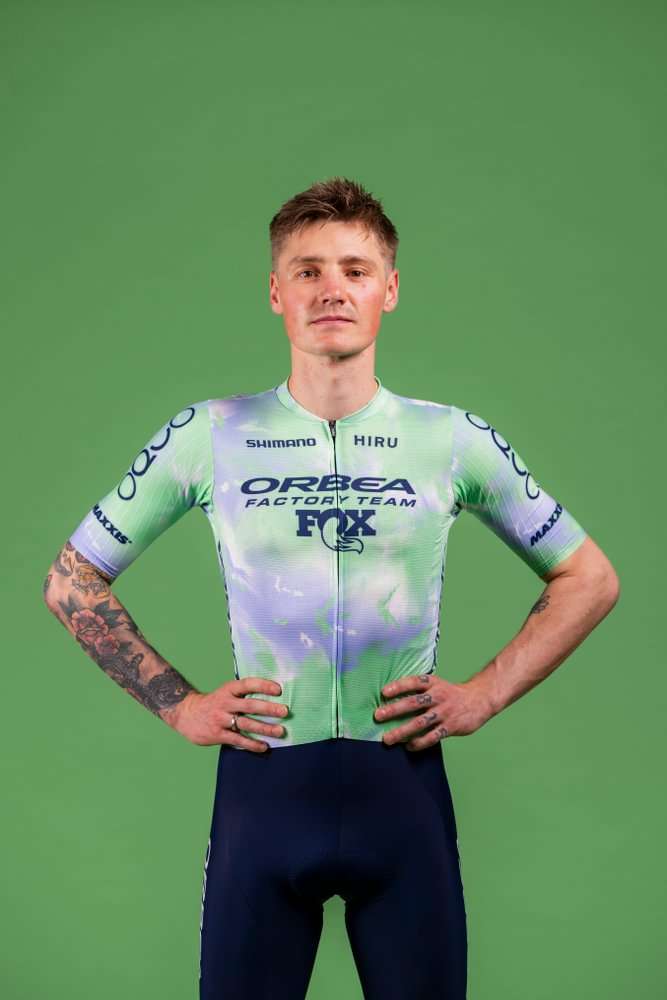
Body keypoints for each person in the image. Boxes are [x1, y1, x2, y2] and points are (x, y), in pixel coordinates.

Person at [43, 176, 620, 999]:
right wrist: (178, 704)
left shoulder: (450, 438)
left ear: (390, 288)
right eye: (307, 271)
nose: (331, 289)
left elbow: (588, 578)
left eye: (355, 269)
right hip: (264, 793)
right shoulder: (210, 433)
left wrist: (485, 694)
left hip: (402, 793)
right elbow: (71, 579)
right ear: (275, 293)